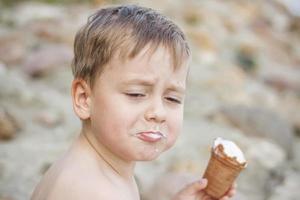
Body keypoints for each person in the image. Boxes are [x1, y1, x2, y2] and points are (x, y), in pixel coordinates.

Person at [31, 5, 236, 200]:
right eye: (136, 94)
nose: (158, 112)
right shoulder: (93, 191)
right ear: (84, 98)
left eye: (172, 98)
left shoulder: (97, 171)